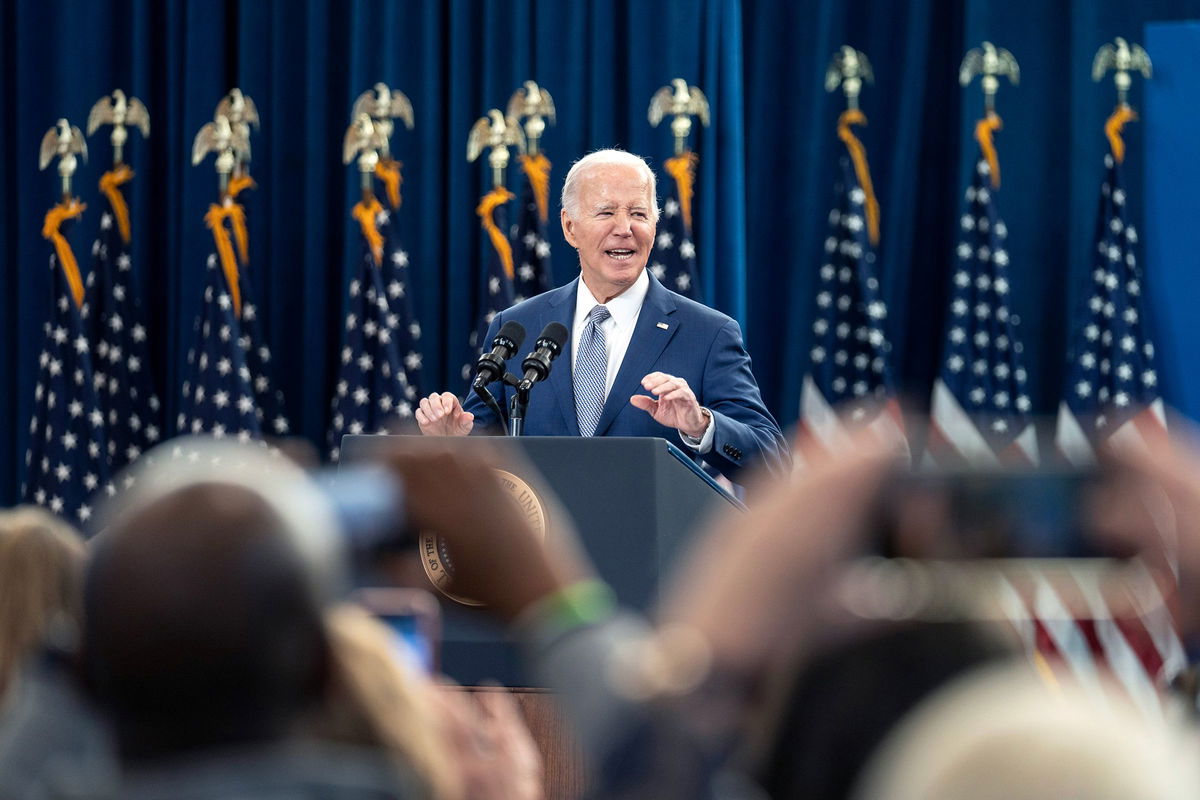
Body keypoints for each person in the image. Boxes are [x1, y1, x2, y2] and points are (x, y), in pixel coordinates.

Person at [416, 149, 789, 482]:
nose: (624, 229)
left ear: (654, 226)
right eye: (606, 212)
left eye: (639, 214)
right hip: (544, 550)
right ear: (569, 227)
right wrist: (454, 440)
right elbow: (485, 447)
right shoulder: (518, 326)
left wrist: (702, 425)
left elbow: (772, 462)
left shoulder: (708, 334)